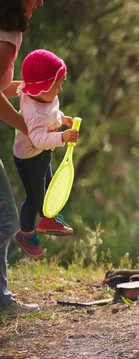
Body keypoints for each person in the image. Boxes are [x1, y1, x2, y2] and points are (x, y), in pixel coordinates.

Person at [12, 49, 79, 259]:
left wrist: (61, 118)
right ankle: (25, 233)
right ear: (42, 87)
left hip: (41, 154)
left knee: (48, 187)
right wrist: (62, 137)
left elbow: (51, 113)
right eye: (57, 85)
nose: (60, 89)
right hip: (29, 158)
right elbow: (37, 138)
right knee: (34, 197)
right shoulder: (32, 113)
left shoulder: (44, 97)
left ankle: (47, 218)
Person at [0, 0, 44, 314]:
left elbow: (2, 86)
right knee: (6, 221)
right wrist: (27, 126)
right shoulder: (8, 35)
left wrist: (30, 89)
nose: (40, 2)